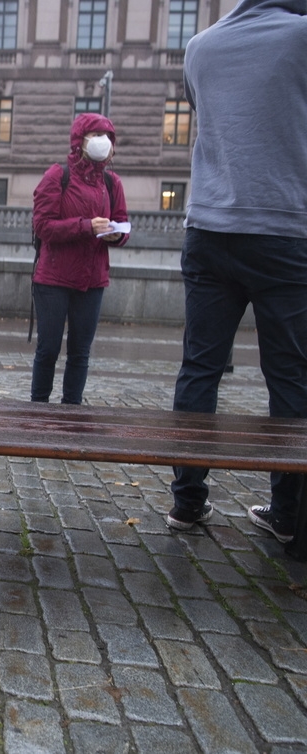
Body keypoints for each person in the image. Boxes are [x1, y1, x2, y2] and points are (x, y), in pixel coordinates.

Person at [165, 0, 307, 538]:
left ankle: (187, 501)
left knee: (200, 369)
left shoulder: (200, 46)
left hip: (209, 226)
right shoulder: (301, 36)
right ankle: (290, 515)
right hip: (285, 226)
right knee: (290, 375)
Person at [30, 113, 129, 405]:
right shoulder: (57, 176)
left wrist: (116, 235)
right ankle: (39, 409)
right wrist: (86, 226)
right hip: (54, 279)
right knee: (48, 349)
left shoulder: (112, 183)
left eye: (108, 136)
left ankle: (71, 412)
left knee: (80, 352)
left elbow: (123, 223)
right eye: (95, 134)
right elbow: (43, 226)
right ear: (79, 140)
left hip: (93, 279)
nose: (103, 141)